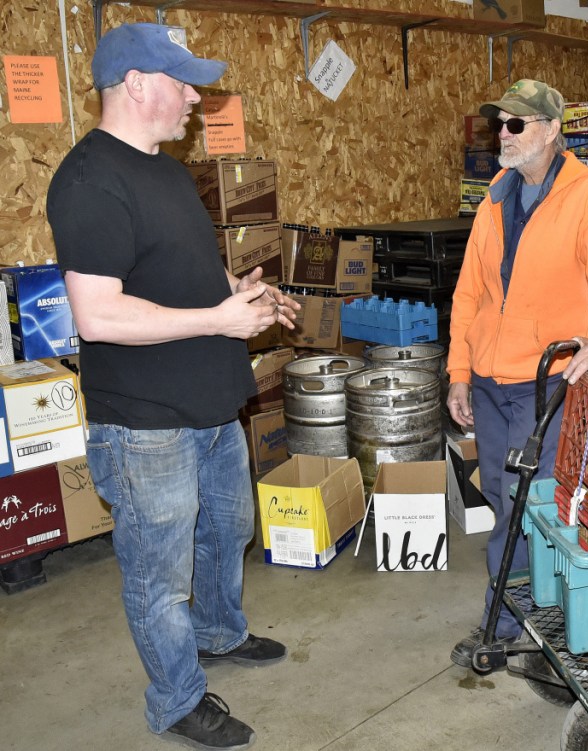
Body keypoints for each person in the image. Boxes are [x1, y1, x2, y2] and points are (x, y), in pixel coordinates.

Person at [46, 23, 301, 751]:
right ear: (135, 84)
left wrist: (243, 296)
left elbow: (185, 269)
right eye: (183, 81)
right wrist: (218, 316)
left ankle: (219, 634)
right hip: (145, 422)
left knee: (229, 531)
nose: (196, 96)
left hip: (210, 403)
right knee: (160, 575)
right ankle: (177, 698)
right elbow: (97, 315)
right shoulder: (90, 181)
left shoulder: (161, 167)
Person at [446, 80, 588, 667]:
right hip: (488, 383)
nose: (503, 135)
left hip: (548, 384)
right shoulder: (496, 198)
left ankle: (521, 619)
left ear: (552, 130)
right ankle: (517, 614)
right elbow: (469, 292)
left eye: (517, 124)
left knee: (541, 506)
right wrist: (458, 370)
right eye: (498, 124)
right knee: (507, 501)